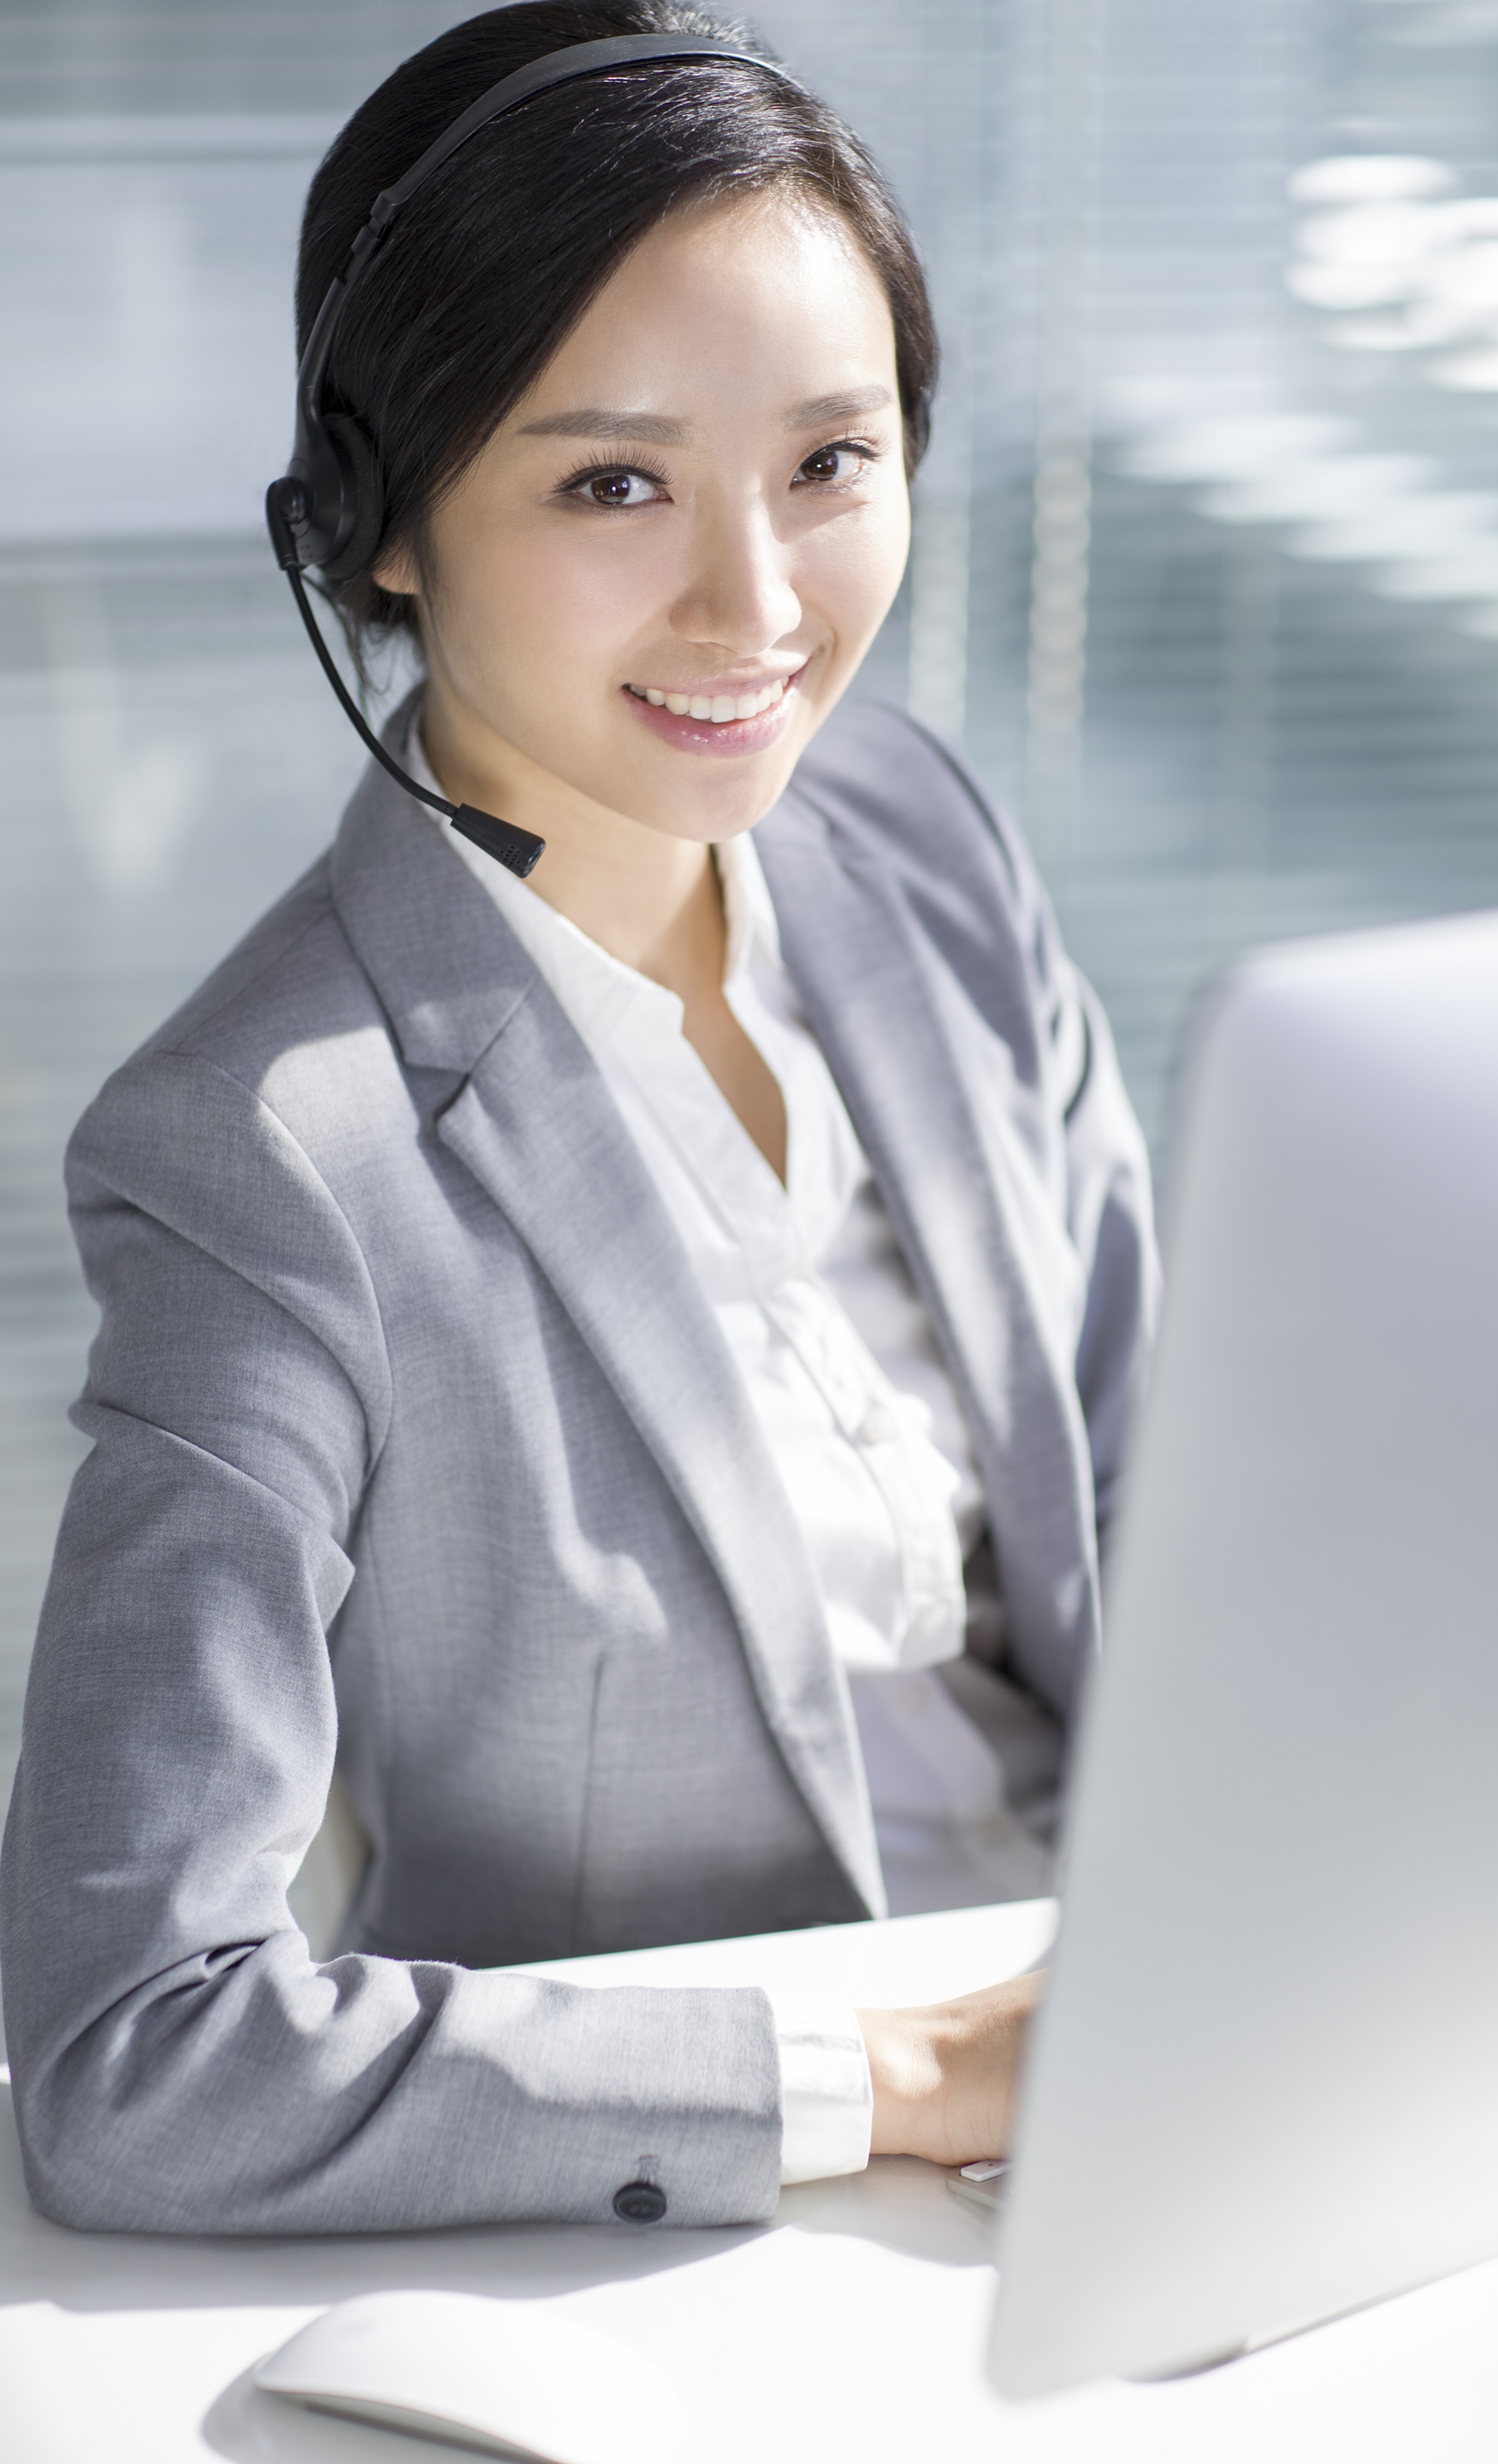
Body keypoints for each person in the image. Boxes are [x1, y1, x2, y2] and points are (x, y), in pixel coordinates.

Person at [0, 0, 1158, 2236]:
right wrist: (891, 2076)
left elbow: (1173, 1497)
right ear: (382, 528)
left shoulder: (917, 842)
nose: (758, 607)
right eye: (612, 481)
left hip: (1166, 2067)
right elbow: (134, 2054)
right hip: (752, 2221)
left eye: (829, 461)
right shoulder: (266, 1150)